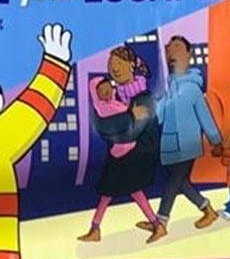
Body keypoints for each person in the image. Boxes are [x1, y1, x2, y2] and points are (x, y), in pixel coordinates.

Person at [78, 46, 160, 242]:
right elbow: (108, 126)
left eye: (119, 63)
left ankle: (156, 225)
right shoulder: (114, 102)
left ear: (131, 65)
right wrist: (126, 118)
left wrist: (126, 121)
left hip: (136, 154)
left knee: (116, 190)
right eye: (111, 64)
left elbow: (134, 128)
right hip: (119, 155)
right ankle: (97, 229)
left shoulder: (141, 96)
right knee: (120, 191)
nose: (114, 68)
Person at [148, 35, 221, 242]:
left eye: (178, 48)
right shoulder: (169, 88)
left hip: (188, 144)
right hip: (169, 144)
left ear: (189, 54)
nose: (172, 53)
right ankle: (208, 210)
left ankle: (161, 223)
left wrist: (216, 140)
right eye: (169, 50)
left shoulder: (193, 88)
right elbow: (160, 116)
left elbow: (204, 116)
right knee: (181, 183)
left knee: (173, 182)